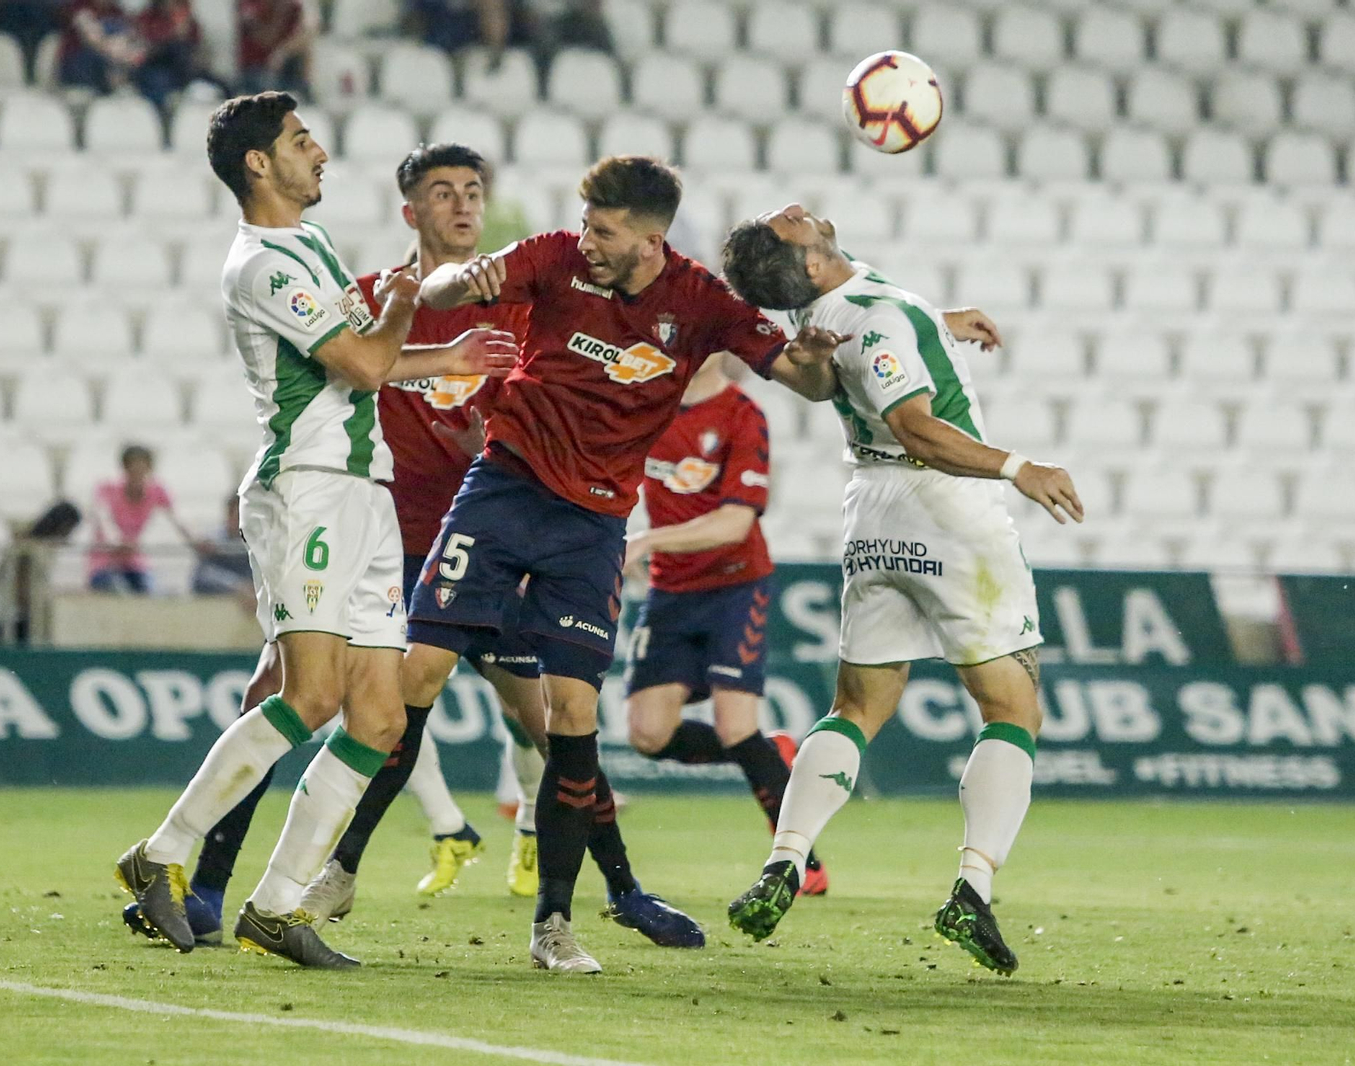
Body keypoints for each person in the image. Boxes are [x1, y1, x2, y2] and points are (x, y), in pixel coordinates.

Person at [396, 155, 848, 973]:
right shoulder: (553, 257)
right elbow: (436, 293)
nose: (586, 240)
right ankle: (321, 874)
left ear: (649, 239)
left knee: (579, 716)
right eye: (586, 224)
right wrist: (463, 279)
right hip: (511, 494)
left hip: (630, 541)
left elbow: (805, 384)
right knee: (429, 681)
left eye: (602, 230)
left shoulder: (703, 305)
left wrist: (814, 358)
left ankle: (556, 921)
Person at [112, 91, 515, 970]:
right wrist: (403, 305)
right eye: (302, 141)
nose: (320, 152)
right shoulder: (262, 265)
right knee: (310, 696)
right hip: (308, 491)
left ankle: (275, 907)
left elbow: (363, 366)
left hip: (366, 492)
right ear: (259, 163)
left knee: (380, 718)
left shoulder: (312, 244)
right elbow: (363, 362)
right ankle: (160, 854)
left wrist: (447, 358)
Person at [298, 146, 702, 935]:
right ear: (409, 210)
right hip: (393, 541)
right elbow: (334, 380)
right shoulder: (375, 299)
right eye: (443, 192)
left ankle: (620, 888)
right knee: (374, 704)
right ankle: (305, 872)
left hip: (500, 533)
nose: (462, 206)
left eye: (473, 192)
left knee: (550, 726)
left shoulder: (518, 300)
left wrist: (502, 449)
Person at [719, 204, 1084, 976]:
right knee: (1013, 709)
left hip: (872, 516)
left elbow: (865, 336)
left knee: (856, 707)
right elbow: (915, 423)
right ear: (808, 262)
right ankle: (973, 888)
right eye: (788, 224)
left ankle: (785, 861)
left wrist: (937, 325)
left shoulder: (830, 310)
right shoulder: (882, 317)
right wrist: (1020, 468)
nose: (795, 210)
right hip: (945, 510)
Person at [621, 352, 829, 897]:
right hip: (671, 591)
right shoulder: (646, 405)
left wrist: (646, 541)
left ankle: (801, 864)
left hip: (736, 585)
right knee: (648, 735)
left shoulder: (742, 415)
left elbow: (736, 523)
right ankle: (769, 756)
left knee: (736, 725)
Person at [87, 445, 201, 594]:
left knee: (150, 591)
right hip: (105, 564)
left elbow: (178, 517)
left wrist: (197, 540)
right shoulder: (107, 488)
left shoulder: (157, 490)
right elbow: (103, 518)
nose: (138, 476)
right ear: (125, 469)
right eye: (133, 471)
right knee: (119, 591)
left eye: (143, 471)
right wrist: (116, 541)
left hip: (134, 563)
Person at [57, 0, 145, 93]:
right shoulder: (81, 58)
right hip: (87, 83)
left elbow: (134, 43)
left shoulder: (116, 16)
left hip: (125, 72)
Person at [237, 0, 311, 96]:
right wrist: (281, 14)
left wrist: (282, 52)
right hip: (255, 70)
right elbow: (263, 37)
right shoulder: (251, 4)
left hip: (285, 72)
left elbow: (306, 34)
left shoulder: (293, 6)